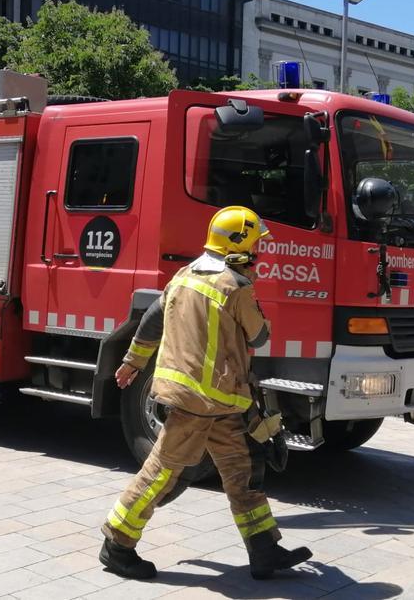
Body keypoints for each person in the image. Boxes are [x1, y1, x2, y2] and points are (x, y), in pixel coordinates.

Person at [99, 206, 312, 581]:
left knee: (240, 472)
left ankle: (263, 549)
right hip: (201, 403)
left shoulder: (182, 277)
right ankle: (117, 545)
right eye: (256, 245)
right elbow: (260, 336)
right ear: (241, 246)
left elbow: (151, 322)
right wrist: (253, 289)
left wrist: (132, 362)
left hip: (210, 401)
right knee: (160, 474)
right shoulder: (236, 286)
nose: (260, 253)